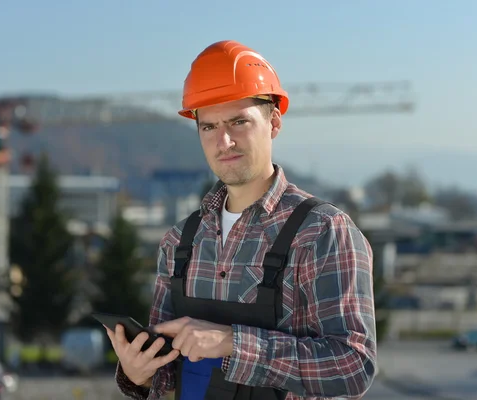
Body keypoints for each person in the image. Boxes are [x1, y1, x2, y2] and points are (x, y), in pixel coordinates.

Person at [106, 40, 377, 400]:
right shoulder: (179, 242)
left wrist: (233, 343)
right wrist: (138, 374)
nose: (225, 140)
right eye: (210, 127)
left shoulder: (322, 232)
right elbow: (169, 372)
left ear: (274, 122)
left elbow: (353, 366)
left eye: (239, 122)